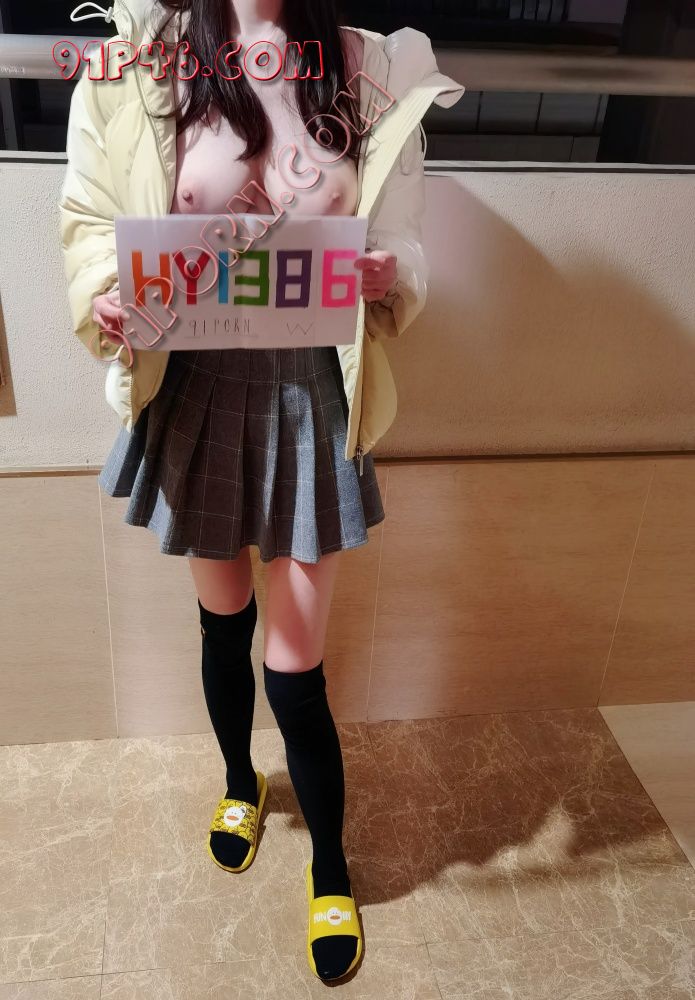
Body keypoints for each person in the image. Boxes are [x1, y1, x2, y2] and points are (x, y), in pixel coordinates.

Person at [59, 0, 464, 982]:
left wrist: (387, 274)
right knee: (221, 624)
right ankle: (239, 784)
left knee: (294, 668)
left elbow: (405, 241)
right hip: (193, 386)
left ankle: (329, 866)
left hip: (308, 395)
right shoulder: (143, 59)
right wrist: (103, 293)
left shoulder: (365, 65)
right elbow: (90, 220)